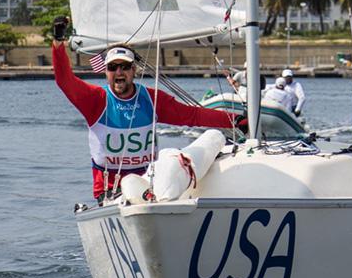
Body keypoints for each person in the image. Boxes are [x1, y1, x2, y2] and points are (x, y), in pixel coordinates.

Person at [51, 17, 245, 204]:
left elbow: (192, 115)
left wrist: (234, 120)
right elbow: (64, 80)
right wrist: (58, 43)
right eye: (113, 67)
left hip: (150, 186)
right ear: (106, 71)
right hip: (109, 193)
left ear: (134, 70)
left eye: (125, 67)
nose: (119, 72)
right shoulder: (95, 100)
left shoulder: (151, 99)